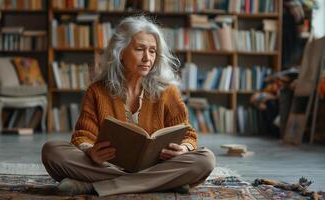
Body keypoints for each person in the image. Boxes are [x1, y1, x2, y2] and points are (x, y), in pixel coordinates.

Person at [41, 16, 216, 197]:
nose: (147, 58)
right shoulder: (98, 91)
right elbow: (83, 135)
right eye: (140, 49)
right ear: (121, 52)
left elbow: (188, 135)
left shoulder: (168, 91)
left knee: (206, 159)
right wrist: (90, 151)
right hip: (107, 165)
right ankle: (163, 182)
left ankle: (90, 186)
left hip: (158, 165)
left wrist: (184, 149)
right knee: (52, 151)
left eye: (153, 51)